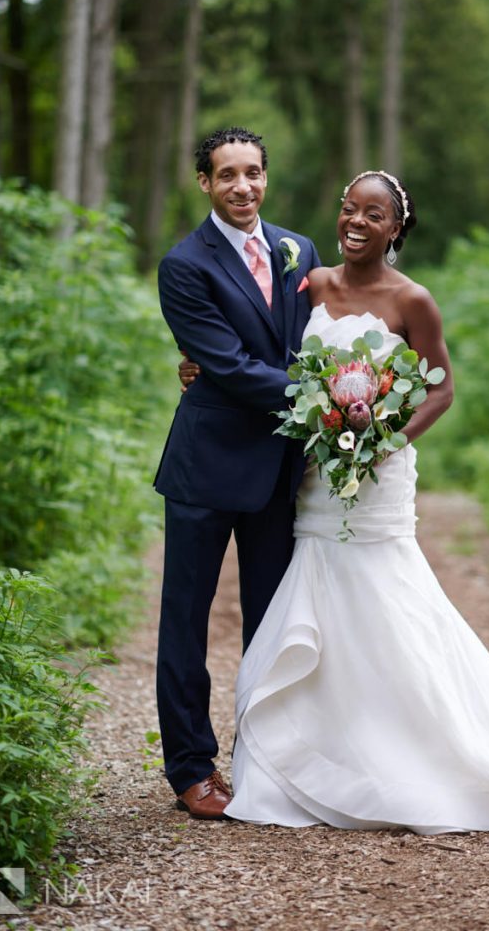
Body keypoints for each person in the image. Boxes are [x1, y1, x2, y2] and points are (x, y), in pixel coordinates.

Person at [181, 170, 489, 834]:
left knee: (389, 596)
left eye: (373, 214)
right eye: (349, 208)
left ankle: (420, 743)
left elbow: (439, 386)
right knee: (318, 594)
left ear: (395, 228)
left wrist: (386, 439)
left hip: (378, 471)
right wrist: (197, 364)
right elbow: (266, 348)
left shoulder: (413, 300)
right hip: (317, 474)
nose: (355, 221)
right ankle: (318, 747)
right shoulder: (314, 284)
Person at [154, 127, 320, 820]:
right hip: (208, 463)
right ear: (205, 183)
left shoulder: (300, 250)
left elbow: (315, 337)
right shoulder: (183, 264)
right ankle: (191, 767)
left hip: (279, 465)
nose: (242, 187)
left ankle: (267, 757)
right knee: (185, 623)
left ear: (266, 177)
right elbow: (224, 362)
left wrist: (344, 380)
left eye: (253, 173)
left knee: (272, 620)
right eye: (227, 175)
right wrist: (323, 400)